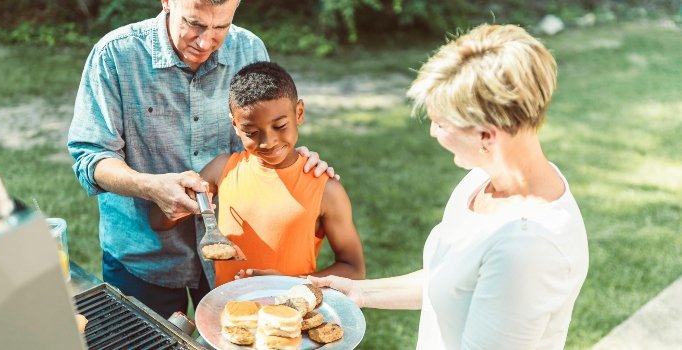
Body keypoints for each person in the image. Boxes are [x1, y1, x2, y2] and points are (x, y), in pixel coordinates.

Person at [309, 24, 589, 349]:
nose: (432, 133)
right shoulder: (482, 181)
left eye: (440, 123)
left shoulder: (527, 249)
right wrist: (360, 291)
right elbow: (450, 281)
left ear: (487, 135)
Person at [67, 0, 335, 318]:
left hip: (233, 258)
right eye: (194, 24)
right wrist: (149, 186)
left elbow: (262, 137)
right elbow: (91, 155)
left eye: (221, 27)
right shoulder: (115, 55)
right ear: (167, 2)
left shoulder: (249, 49)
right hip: (142, 256)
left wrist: (292, 161)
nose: (205, 42)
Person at [149, 61, 366, 286]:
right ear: (235, 125)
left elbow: (353, 267)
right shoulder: (222, 170)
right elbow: (158, 221)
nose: (268, 142)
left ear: (299, 113)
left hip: (290, 316)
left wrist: (292, 283)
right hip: (229, 313)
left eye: (280, 126)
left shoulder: (326, 190)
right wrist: (178, 194)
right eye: (251, 132)